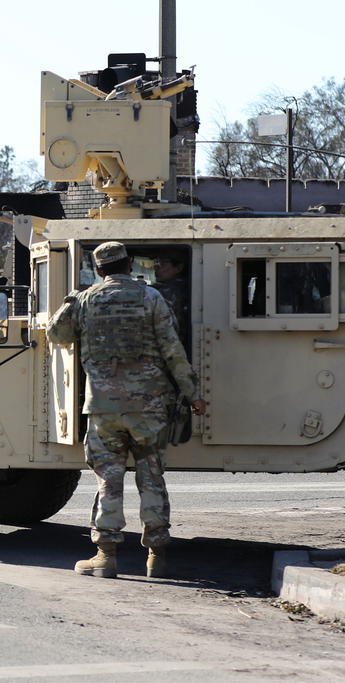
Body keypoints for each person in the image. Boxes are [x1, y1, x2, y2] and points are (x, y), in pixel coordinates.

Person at [47, 241, 206, 579]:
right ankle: (157, 559)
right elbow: (172, 349)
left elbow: (56, 334)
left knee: (109, 479)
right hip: (148, 407)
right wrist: (192, 393)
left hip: (104, 408)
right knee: (151, 477)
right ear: (130, 264)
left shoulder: (87, 300)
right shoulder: (152, 298)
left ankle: (105, 557)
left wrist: (72, 299)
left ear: (100, 269)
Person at [150, 251, 190, 354]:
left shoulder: (167, 292)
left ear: (178, 268)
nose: (156, 268)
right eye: (156, 263)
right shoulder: (186, 286)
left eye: (162, 264)